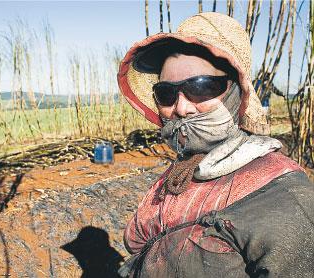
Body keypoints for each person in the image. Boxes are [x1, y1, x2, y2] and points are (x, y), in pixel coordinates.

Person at [117, 12, 314, 277]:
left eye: (201, 87)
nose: (181, 108)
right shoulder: (185, 170)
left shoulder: (284, 196)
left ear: (235, 92)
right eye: (166, 93)